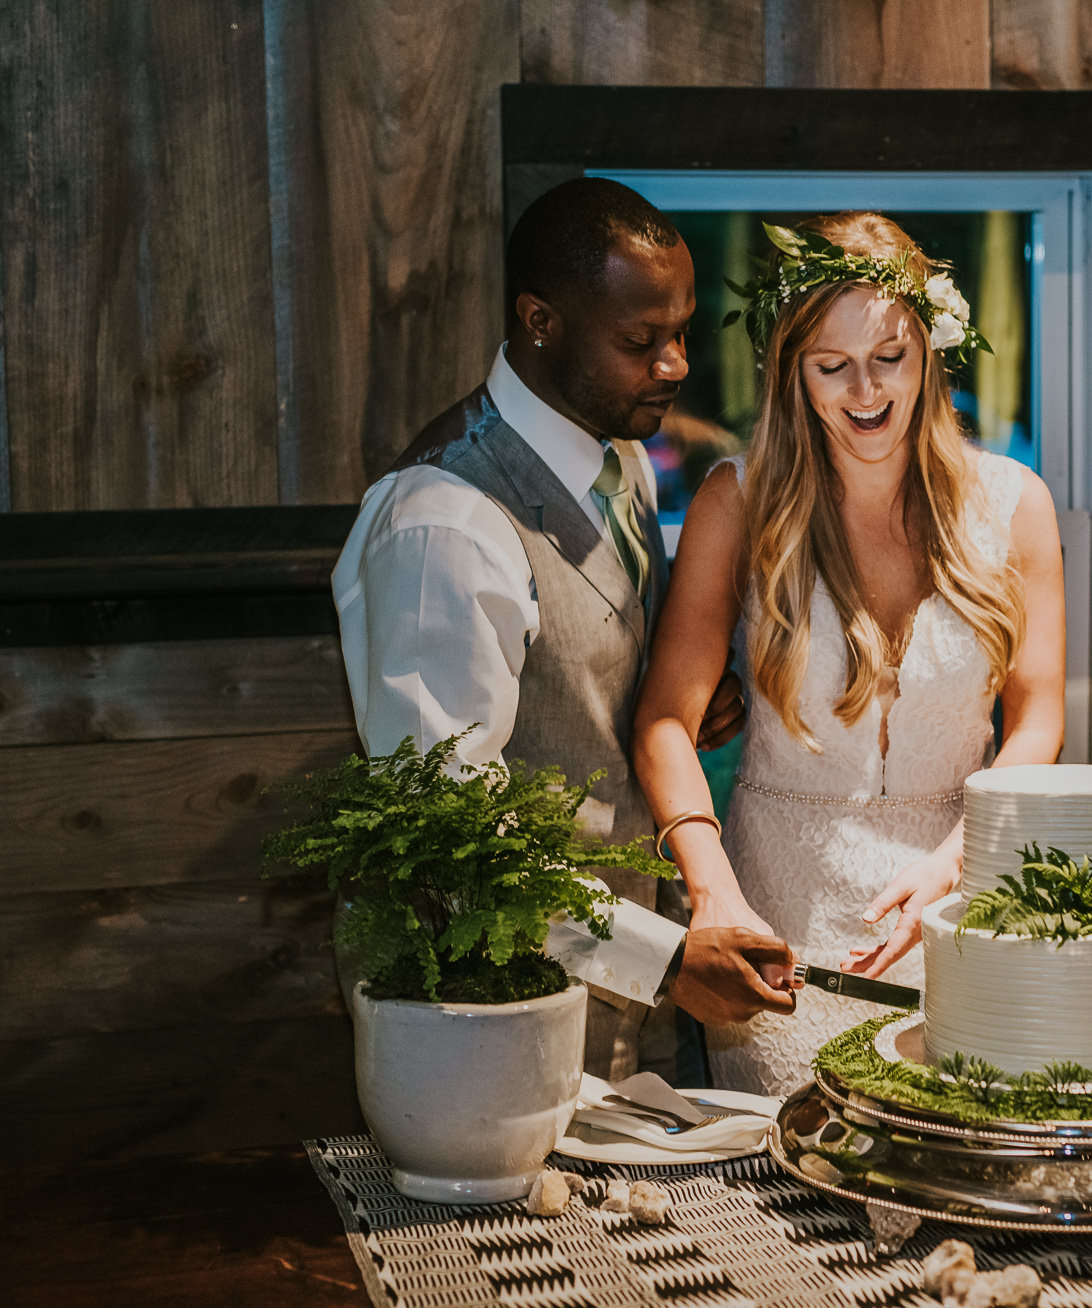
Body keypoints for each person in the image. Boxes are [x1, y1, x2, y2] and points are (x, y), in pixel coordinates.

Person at [332, 178, 795, 1082]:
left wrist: (674, 699)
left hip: (631, 1004)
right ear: (540, 320)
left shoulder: (624, 458)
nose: (675, 365)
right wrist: (660, 958)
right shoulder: (443, 525)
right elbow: (448, 834)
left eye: (680, 332)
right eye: (640, 341)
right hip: (486, 1017)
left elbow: (582, 663)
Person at [632, 213, 1067, 1094]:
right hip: (783, 911)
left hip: (963, 902)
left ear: (931, 353)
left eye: (889, 358)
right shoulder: (739, 503)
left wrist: (961, 859)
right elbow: (666, 721)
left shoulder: (1015, 504)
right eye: (831, 366)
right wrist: (714, 895)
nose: (864, 390)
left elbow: (1038, 716)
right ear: (793, 373)